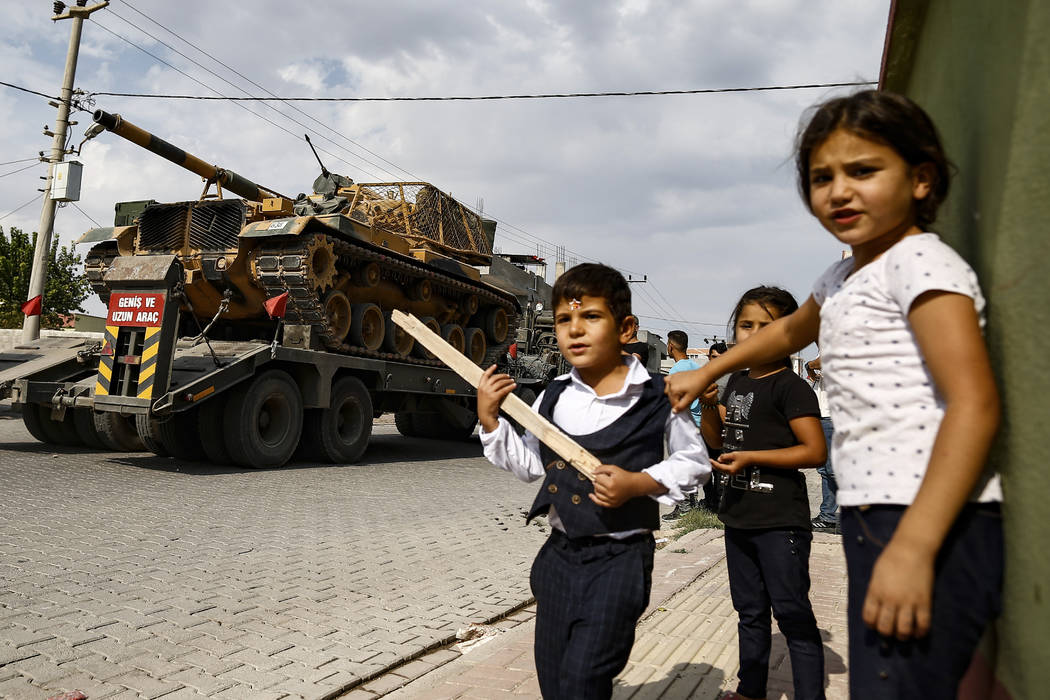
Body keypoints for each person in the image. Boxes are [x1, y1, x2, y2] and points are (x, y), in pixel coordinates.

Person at [665, 90, 1002, 699]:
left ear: (921, 179)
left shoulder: (921, 265)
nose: (838, 191)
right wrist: (706, 373)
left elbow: (974, 404)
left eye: (863, 171)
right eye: (822, 177)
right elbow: (790, 331)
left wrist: (916, 546)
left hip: (930, 514)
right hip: (877, 513)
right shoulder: (843, 277)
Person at [476, 263, 710, 699]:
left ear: (626, 328)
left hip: (619, 563)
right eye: (565, 319)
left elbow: (695, 462)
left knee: (584, 681)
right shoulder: (554, 394)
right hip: (558, 560)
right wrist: (491, 420)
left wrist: (639, 483)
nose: (575, 330)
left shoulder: (658, 396)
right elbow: (530, 463)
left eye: (591, 317)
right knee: (553, 677)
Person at [701, 286, 827, 700]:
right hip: (738, 517)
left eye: (766, 327)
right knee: (749, 612)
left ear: (789, 334)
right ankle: (749, 691)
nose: (753, 334)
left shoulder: (791, 387)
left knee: (792, 614)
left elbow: (814, 450)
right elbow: (718, 442)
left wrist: (754, 456)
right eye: (745, 325)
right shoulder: (736, 382)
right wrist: (707, 406)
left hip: (780, 522)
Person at [661, 329, 701, 521]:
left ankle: (684, 507)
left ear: (670, 346)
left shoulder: (676, 371)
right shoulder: (696, 366)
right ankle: (691, 505)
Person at [806, 355, 839, 531]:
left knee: (832, 470)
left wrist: (808, 365)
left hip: (831, 414)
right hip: (826, 413)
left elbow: (824, 359)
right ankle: (828, 515)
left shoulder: (832, 335)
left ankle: (829, 515)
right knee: (827, 470)